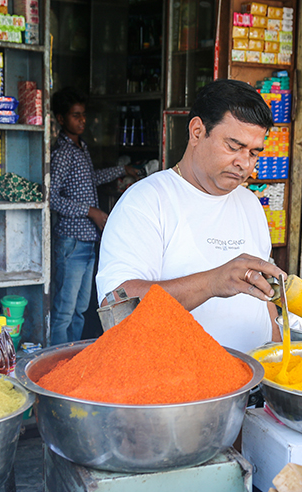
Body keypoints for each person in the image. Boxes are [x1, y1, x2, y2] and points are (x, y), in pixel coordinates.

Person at [96, 79, 285, 352]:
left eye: (254, 153)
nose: (245, 164)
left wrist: (276, 355)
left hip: (251, 380)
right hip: (179, 388)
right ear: (197, 131)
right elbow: (116, 310)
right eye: (234, 146)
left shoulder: (250, 204)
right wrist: (212, 282)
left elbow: (262, 298)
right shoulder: (146, 201)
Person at [49, 87, 140, 345]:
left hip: (87, 242)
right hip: (72, 241)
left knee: (79, 311)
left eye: (83, 115)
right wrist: (91, 211)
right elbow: (52, 197)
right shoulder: (63, 152)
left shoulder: (81, 148)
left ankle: (72, 360)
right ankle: (55, 360)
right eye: (75, 116)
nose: (82, 121)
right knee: (64, 312)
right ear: (60, 118)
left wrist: (122, 169)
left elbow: (90, 179)